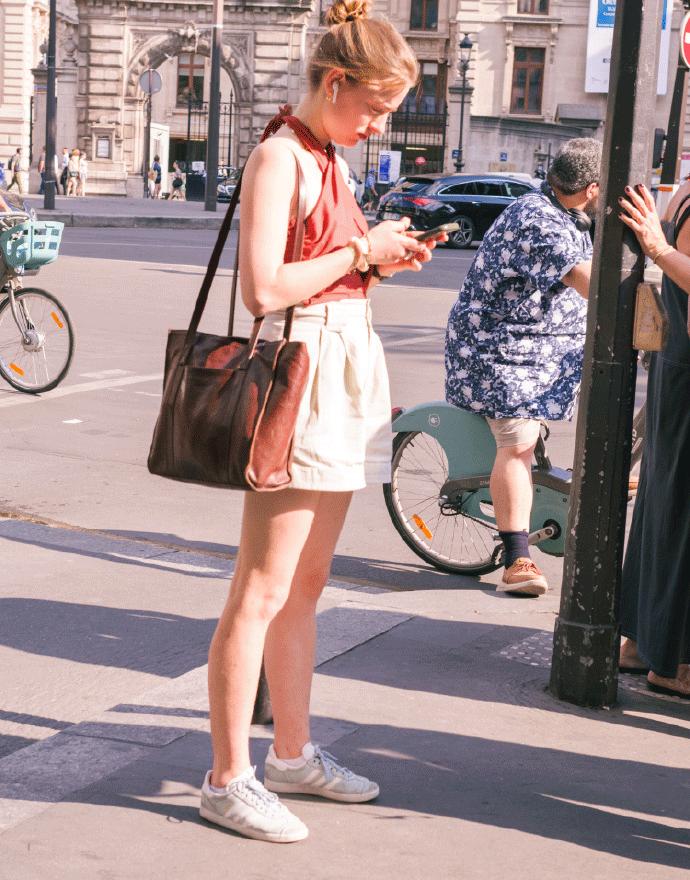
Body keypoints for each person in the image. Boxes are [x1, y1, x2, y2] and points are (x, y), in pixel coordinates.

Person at [201, 0, 443, 844]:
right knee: (261, 591)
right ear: (333, 82)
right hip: (298, 379)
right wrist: (359, 252)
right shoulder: (279, 155)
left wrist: (380, 258)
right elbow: (263, 289)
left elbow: (327, 271)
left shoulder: (327, 158)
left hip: (339, 369)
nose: (379, 124)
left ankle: (292, 755)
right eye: (373, 105)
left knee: (304, 588)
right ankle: (227, 775)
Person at [445, 138, 601, 596]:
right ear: (592, 188)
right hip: (499, 348)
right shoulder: (538, 219)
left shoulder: (570, 212)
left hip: (544, 348)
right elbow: (588, 282)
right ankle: (517, 561)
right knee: (518, 441)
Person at [617, 182, 690, 698]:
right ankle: (673, 662)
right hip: (685, 371)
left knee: (666, 505)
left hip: (678, 366)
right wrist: (661, 251)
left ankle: (644, 643)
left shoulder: (684, 192)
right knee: (677, 510)